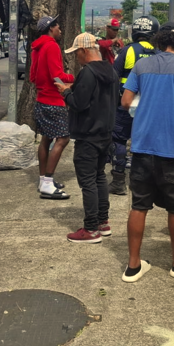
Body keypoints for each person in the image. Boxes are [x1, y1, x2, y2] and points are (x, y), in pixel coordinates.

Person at [120, 28, 174, 282]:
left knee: (139, 205)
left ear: (159, 41)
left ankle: (133, 265)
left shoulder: (142, 66)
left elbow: (125, 101)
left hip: (142, 145)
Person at [55, 33, 119, 243]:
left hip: (88, 135)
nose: (76, 58)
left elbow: (79, 103)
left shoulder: (88, 72)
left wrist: (65, 92)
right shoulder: (110, 69)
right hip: (105, 134)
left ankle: (91, 228)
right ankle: (103, 222)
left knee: (88, 182)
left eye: (76, 53)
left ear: (84, 51)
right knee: (100, 176)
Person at [109, 15, 160, 195]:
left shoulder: (128, 51)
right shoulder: (158, 52)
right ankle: (146, 180)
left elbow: (113, 76)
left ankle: (118, 181)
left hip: (127, 103)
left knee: (119, 140)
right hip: (150, 105)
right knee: (148, 142)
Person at [30, 15, 74, 199]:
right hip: (53, 100)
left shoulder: (36, 47)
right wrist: (72, 78)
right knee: (63, 139)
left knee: (46, 139)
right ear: (51, 28)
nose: (60, 30)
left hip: (40, 99)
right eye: (58, 27)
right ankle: (48, 183)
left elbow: (33, 76)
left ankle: (43, 180)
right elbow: (56, 75)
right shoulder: (52, 46)